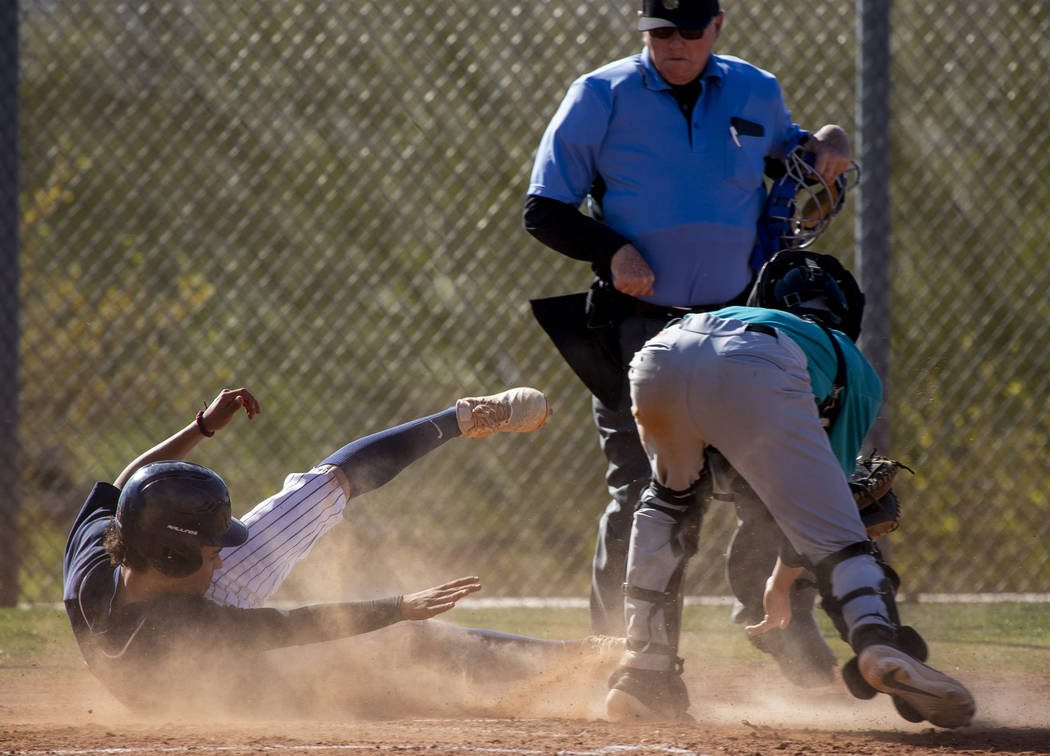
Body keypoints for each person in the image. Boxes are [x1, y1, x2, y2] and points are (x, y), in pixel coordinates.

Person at [523, 0, 852, 682]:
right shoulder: (600, 94)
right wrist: (611, 249)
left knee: (773, 486)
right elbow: (544, 208)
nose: (672, 44)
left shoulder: (753, 88)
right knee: (644, 490)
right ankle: (619, 654)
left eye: (688, 31)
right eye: (659, 32)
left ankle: (784, 635)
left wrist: (826, 152)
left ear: (717, 27)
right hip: (637, 325)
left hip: (737, 323)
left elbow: (793, 161)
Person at [603, 250, 976, 729]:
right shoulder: (847, 356)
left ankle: (644, 677)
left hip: (661, 352)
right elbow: (821, 516)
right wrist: (782, 584)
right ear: (844, 313)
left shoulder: (736, 313)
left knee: (667, 502)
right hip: (757, 363)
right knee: (843, 537)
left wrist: (776, 588)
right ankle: (878, 643)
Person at [62, 385, 568, 715]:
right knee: (392, 656)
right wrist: (399, 608)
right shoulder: (191, 631)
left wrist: (202, 428)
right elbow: (294, 624)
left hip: (170, 620)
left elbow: (130, 483)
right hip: (208, 678)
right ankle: (569, 664)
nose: (222, 553)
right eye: (214, 547)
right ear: (173, 558)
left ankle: (462, 418)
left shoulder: (97, 554)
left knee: (326, 485)